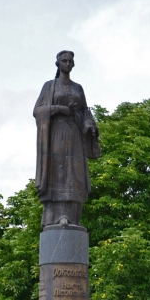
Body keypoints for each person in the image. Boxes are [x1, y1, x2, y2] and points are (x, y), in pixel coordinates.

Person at [33, 50, 101, 228]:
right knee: (58, 172)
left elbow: (85, 110)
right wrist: (58, 109)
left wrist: (89, 124)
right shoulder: (49, 86)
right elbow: (38, 110)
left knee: (75, 174)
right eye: (64, 61)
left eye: (70, 61)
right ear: (58, 63)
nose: (67, 64)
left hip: (75, 135)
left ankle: (73, 217)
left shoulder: (78, 87)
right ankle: (56, 217)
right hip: (56, 136)